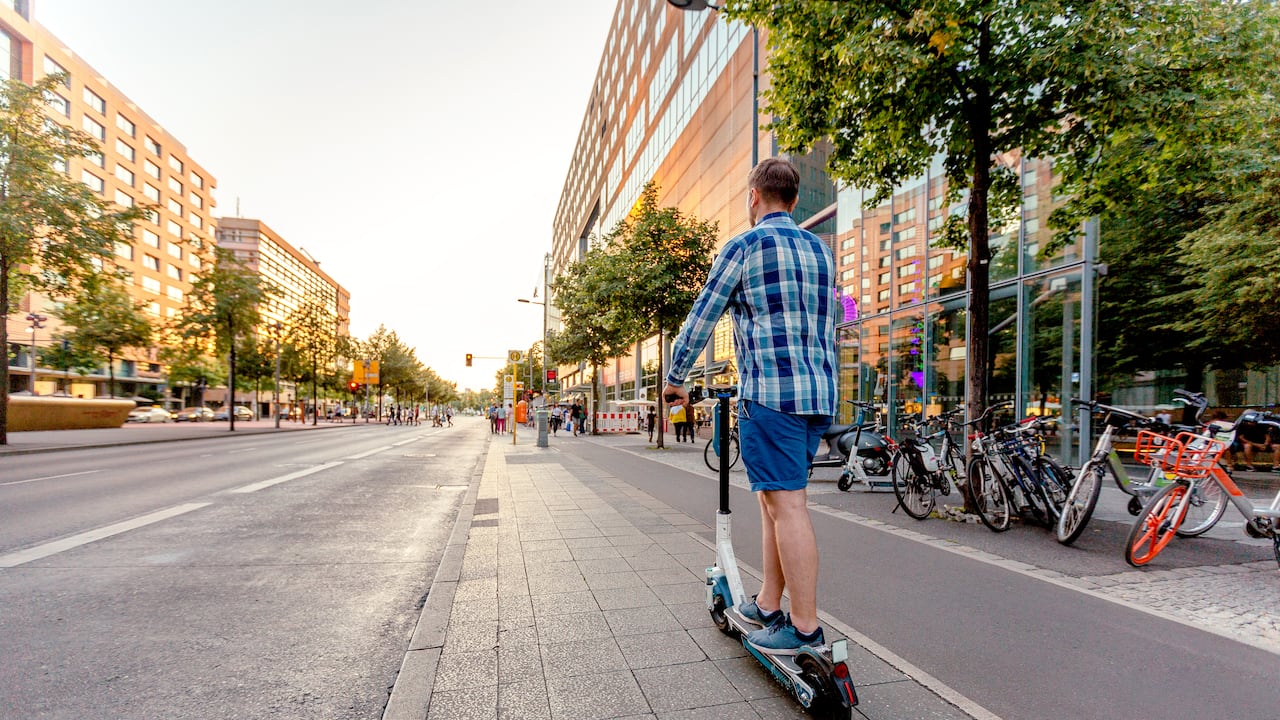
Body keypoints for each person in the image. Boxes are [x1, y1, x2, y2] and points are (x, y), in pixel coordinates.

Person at [662, 158, 838, 655]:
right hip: (816, 396)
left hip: (773, 395)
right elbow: (831, 325)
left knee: (788, 506)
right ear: (795, 199)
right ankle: (767, 602)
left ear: (754, 197)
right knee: (774, 503)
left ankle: (804, 630)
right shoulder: (821, 253)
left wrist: (676, 378)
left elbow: (703, 316)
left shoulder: (746, 246)